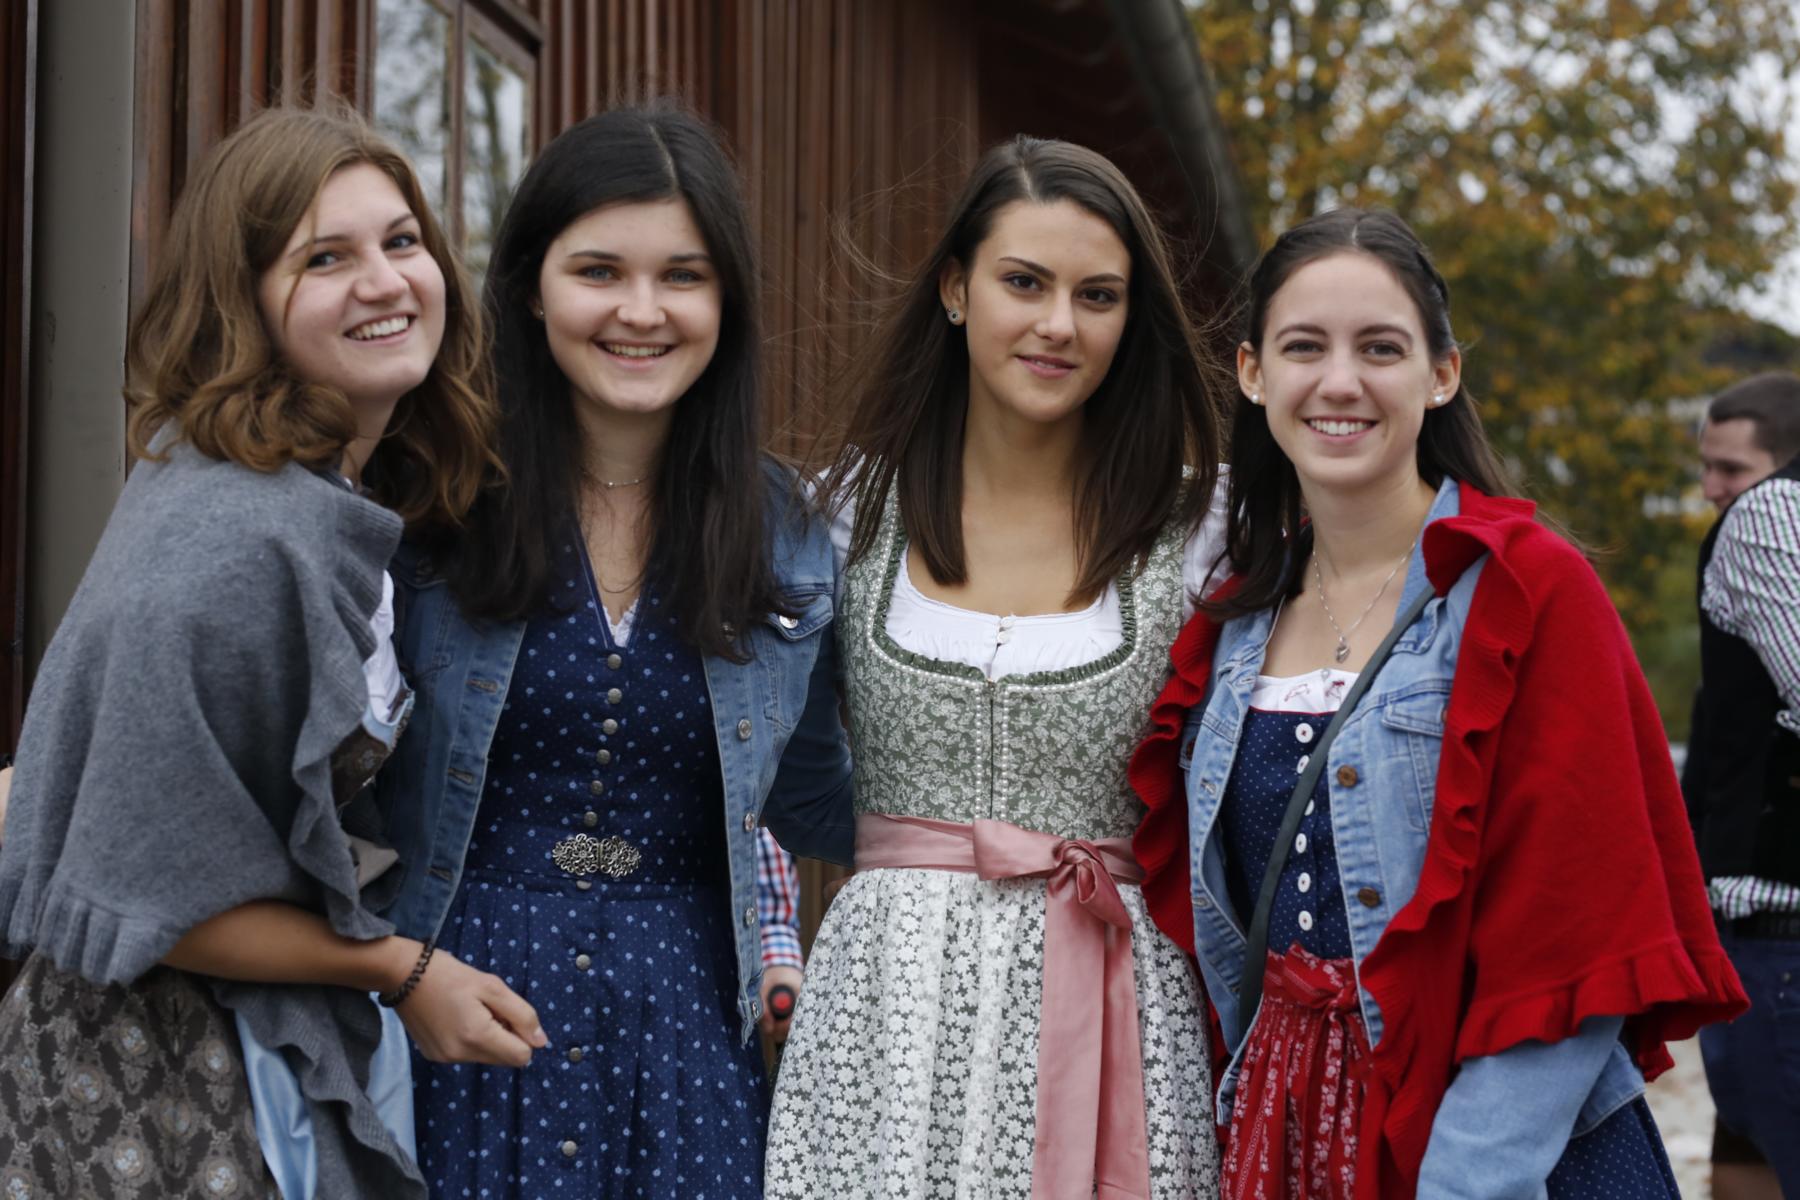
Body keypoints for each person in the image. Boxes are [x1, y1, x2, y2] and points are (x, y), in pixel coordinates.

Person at [1129, 207, 1747, 1199]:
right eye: (1303, 347)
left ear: (1442, 374)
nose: (1340, 382)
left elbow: (1571, 941)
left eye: (1381, 348)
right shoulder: (1234, 622)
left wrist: (1466, 1185)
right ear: (1252, 373)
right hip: (1281, 1137)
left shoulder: (1530, 591)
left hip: (1502, 1156)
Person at [0, 106, 539, 1200]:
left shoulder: (296, 494)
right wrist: (403, 971)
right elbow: (151, 895)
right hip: (155, 1089)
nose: (385, 282)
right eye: (324, 259)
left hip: (232, 1048)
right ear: (240, 301)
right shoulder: (235, 536)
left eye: (401, 241)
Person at [377, 103, 852, 1199]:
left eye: (683, 276)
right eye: (600, 271)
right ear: (532, 287)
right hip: (456, 1011)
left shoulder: (789, 533)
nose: (643, 311)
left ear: (727, 302)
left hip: (687, 1035)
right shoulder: (430, 505)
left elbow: (797, 795)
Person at [763, 135, 1229, 1199]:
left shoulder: (1197, 526)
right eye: (1025, 282)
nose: (1059, 324)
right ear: (955, 289)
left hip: (1114, 1001)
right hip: (884, 1017)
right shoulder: (845, 513)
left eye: (1097, 296)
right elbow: (780, 762)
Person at [1686, 373, 1800, 1197]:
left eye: (1731, 469)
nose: (1711, 489)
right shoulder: (1767, 517)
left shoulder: (1769, 514)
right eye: (1708, 467)